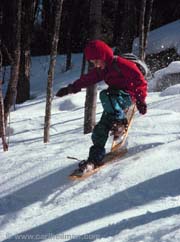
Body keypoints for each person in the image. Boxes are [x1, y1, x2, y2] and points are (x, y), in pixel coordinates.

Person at [56, 40, 147, 172]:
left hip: (127, 96)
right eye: (93, 62)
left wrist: (140, 100)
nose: (96, 64)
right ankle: (94, 159)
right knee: (100, 129)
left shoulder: (121, 64)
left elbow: (140, 80)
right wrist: (71, 88)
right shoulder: (102, 70)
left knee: (106, 94)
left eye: (96, 60)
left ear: (104, 55)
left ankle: (120, 123)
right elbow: (87, 79)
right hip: (113, 103)